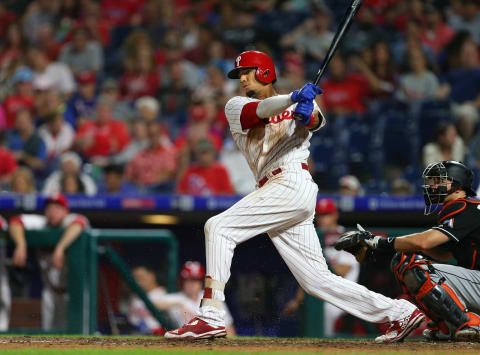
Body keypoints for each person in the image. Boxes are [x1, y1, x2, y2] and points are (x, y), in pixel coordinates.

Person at [164, 50, 424, 342]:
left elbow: (316, 122)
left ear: (264, 72)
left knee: (219, 227)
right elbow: (259, 112)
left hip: (291, 180)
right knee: (316, 280)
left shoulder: (302, 99)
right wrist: (292, 100)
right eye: (240, 75)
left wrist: (307, 111)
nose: (243, 79)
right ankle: (399, 312)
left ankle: (211, 314)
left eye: (247, 72)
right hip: (274, 188)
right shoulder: (236, 106)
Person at [334, 161, 480, 341]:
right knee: (405, 260)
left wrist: (377, 242)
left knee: (414, 266)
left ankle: (469, 323)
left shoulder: (467, 206)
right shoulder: (464, 207)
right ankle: (450, 326)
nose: (432, 186)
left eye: (438, 181)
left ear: (457, 185)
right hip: (476, 282)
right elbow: (444, 255)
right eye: (432, 181)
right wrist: (382, 247)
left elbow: (425, 242)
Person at [8, 193, 89, 330]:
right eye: (49, 208)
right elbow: (15, 221)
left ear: (65, 211)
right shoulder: (42, 223)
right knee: (49, 336)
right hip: (50, 292)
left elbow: (80, 222)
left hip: (74, 292)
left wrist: (60, 248)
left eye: (57, 208)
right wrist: (21, 245)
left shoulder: (69, 220)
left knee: (79, 335)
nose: (52, 212)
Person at [283, 198, 360, 337]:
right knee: (308, 309)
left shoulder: (347, 237)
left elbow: (342, 271)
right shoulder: (313, 238)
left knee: (326, 310)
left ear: (335, 215)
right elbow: (309, 274)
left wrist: (318, 268)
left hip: (345, 292)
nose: (323, 219)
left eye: (327, 215)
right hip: (323, 291)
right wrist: (297, 300)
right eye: (320, 215)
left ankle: (325, 346)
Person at [155, 261, 235, 337]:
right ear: (182, 282)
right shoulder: (177, 298)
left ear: (201, 282)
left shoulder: (212, 298)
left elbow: (228, 327)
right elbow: (154, 304)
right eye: (187, 280)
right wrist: (178, 304)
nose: (191, 284)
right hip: (185, 343)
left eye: (195, 280)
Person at [128, 264, 167, 335]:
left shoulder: (164, 294)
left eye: (140, 277)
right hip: (134, 333)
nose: (138, 282)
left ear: (152, 276)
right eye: (135, 279)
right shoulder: (134, 296)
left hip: (157, 335)